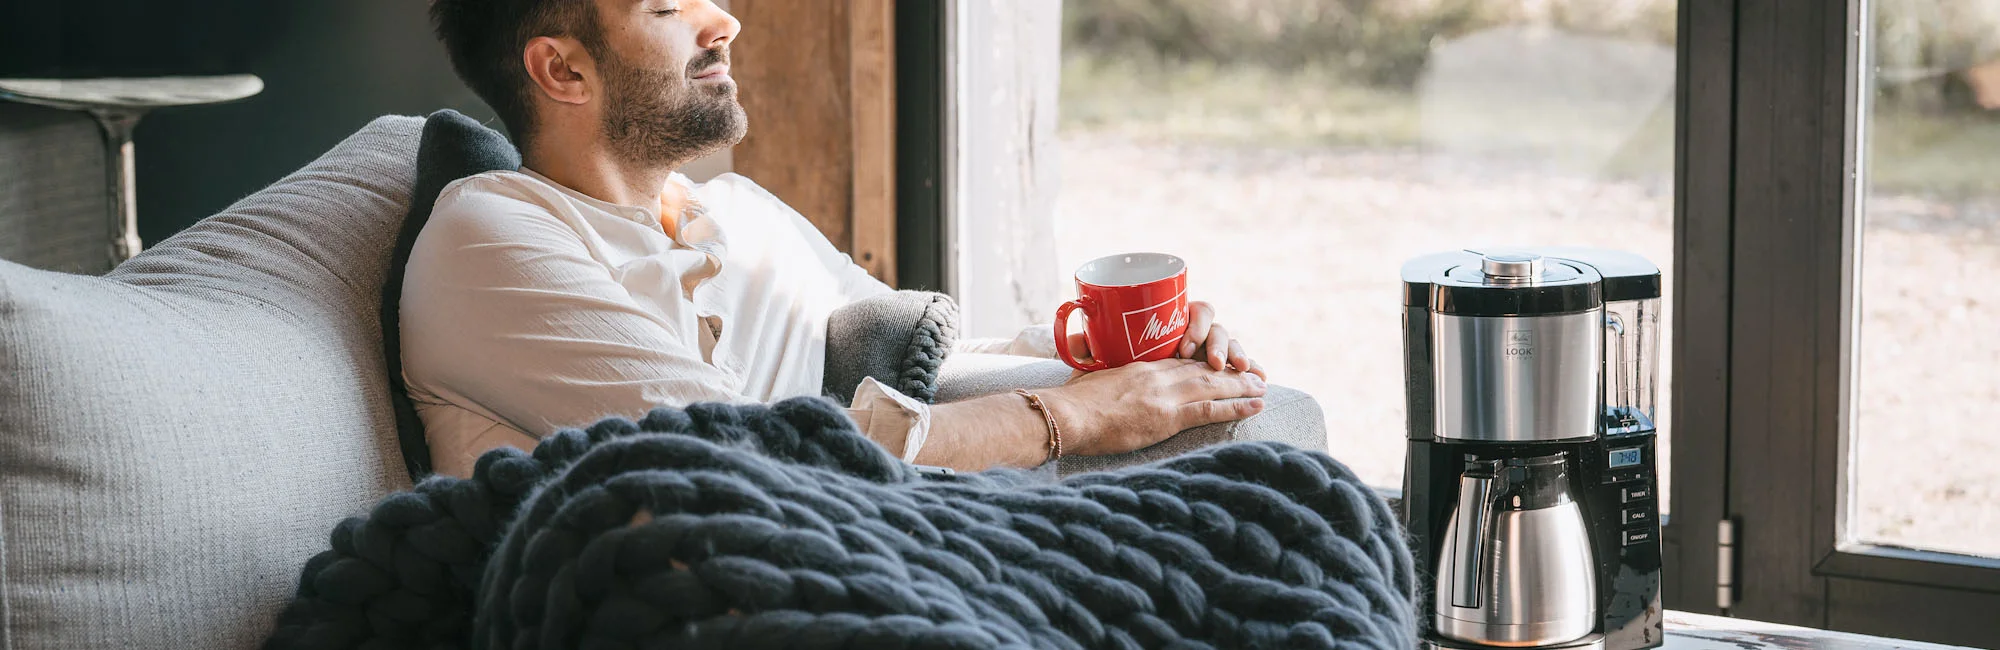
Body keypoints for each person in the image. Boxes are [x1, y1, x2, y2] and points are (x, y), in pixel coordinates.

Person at [406, 0, 1269, 477]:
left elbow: (919, 351)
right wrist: (1072, 417)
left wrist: (1135, 356)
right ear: (563, 69)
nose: (724, 22)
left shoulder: (737, 211)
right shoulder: (492, 235)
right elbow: (734, 455)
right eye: (670, 8)